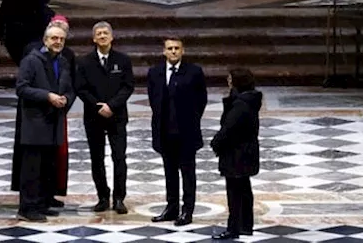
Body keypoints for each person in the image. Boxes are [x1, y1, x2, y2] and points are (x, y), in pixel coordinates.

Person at [12, 24, 75, 222]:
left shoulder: (63, 62)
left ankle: (42, 202)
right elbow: (22, 88)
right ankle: (27, 208)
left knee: (48, 166)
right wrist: (47, 96)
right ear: (46, 40)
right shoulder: (31, 61)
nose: (58, 42)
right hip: (35, 123)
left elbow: (69, 88)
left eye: (61, 39)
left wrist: (65, 99)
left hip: (54, 120)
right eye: (54, 38)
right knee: (32, 168)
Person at [75, 21, 134, 214]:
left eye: (105, 33)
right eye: (98, 33)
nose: (102, 36)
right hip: (94, 117)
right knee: (96, 158)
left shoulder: (123, 60)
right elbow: (81, 88)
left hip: (117, 116)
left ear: (112, 37)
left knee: (119, 157)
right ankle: (102, 196)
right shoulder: (84, 62)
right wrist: (97, 106)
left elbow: (128, 86)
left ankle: (119, 198)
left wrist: (112, 105)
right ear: (93, 38)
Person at [147, 38, 207, 226]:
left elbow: (201, 100)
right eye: (169, 48)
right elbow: (153, 98)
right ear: (163, 51)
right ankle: (171, 207)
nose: (173, 51)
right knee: (169, 172)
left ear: (183, 50)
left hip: (186, 132)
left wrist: (191, 119)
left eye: (176, 48)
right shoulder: (155, 72)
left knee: (188, 173)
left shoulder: (194, 72)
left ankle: (187, 210)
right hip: (164, 131)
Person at [211, 68, 262, 240]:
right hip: (246, 152)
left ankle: (233, 228)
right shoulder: (249, 100)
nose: (228, 81)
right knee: (244, 190)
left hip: (236, 154)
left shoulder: (241, 105)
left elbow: (228, 128)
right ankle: (246, 225)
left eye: (230, 79)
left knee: (234, 192)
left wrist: (216, 143)